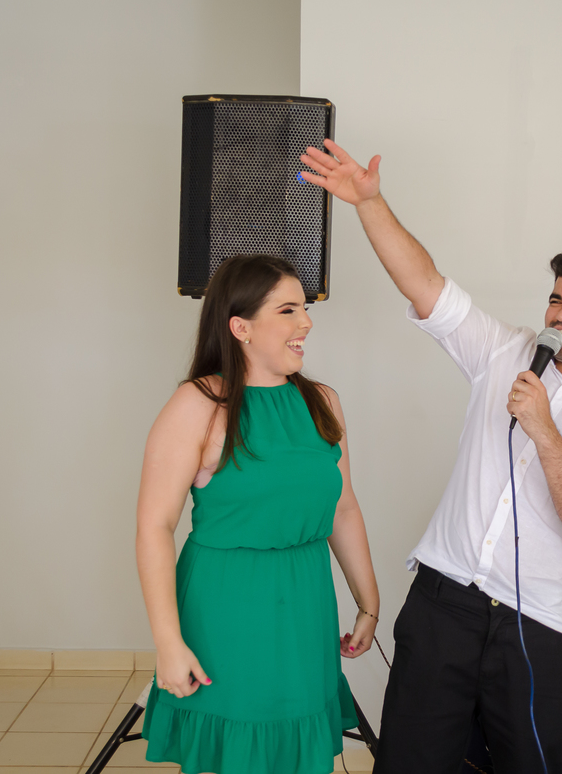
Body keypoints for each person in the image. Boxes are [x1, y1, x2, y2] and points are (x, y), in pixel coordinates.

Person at [300, 141, 562, 774]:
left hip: (538, 628)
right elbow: (426, 285)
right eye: (557, 299)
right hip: (443, 604)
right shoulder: (506, 351)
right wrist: (368, 202)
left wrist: (543, 428)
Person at [134, 255, 381, 774]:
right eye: (287, 310)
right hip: (225, 605)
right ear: (240, 327)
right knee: (237, 751)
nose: (306, 322)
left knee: (296, 752)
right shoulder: (198, 405)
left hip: (306, 601)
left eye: (304, 308)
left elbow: (343, 507)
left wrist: (368, 602)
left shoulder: (322, 402)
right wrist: (168, 643)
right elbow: (154, 527)